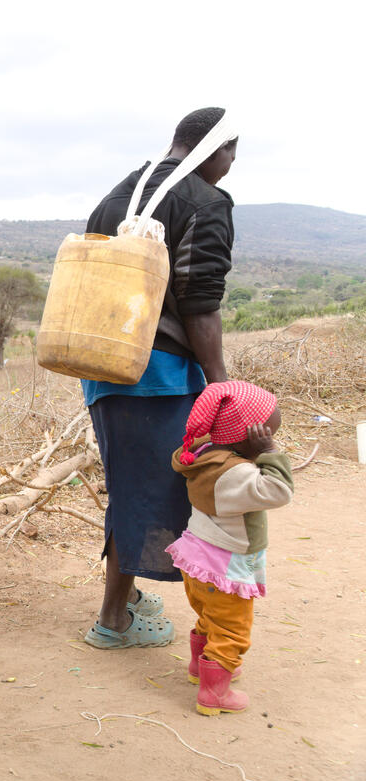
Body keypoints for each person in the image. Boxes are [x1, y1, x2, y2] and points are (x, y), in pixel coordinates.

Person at [81, 107, 239, 649]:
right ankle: (113, 621)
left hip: (102, 369)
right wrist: (219, 383)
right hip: (158, 378)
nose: (230, 166)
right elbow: (200, 299)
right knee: (148, 493)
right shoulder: (204, 200)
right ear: (215, 149)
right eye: (230, 154)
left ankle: (121, 600)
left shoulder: (122, 190)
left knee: (130, 483)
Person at [167, 381, 292, 715]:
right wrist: (270, 454)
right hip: (227, 566)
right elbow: (279, 491)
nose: (271, 440)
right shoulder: (234, 475)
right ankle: (214, 694)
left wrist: (256, 449)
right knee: (232, 628)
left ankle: (201, 667)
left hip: (198, 562)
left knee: (210, 617)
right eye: (267, 435)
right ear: (245, 438)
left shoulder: (204, 455)